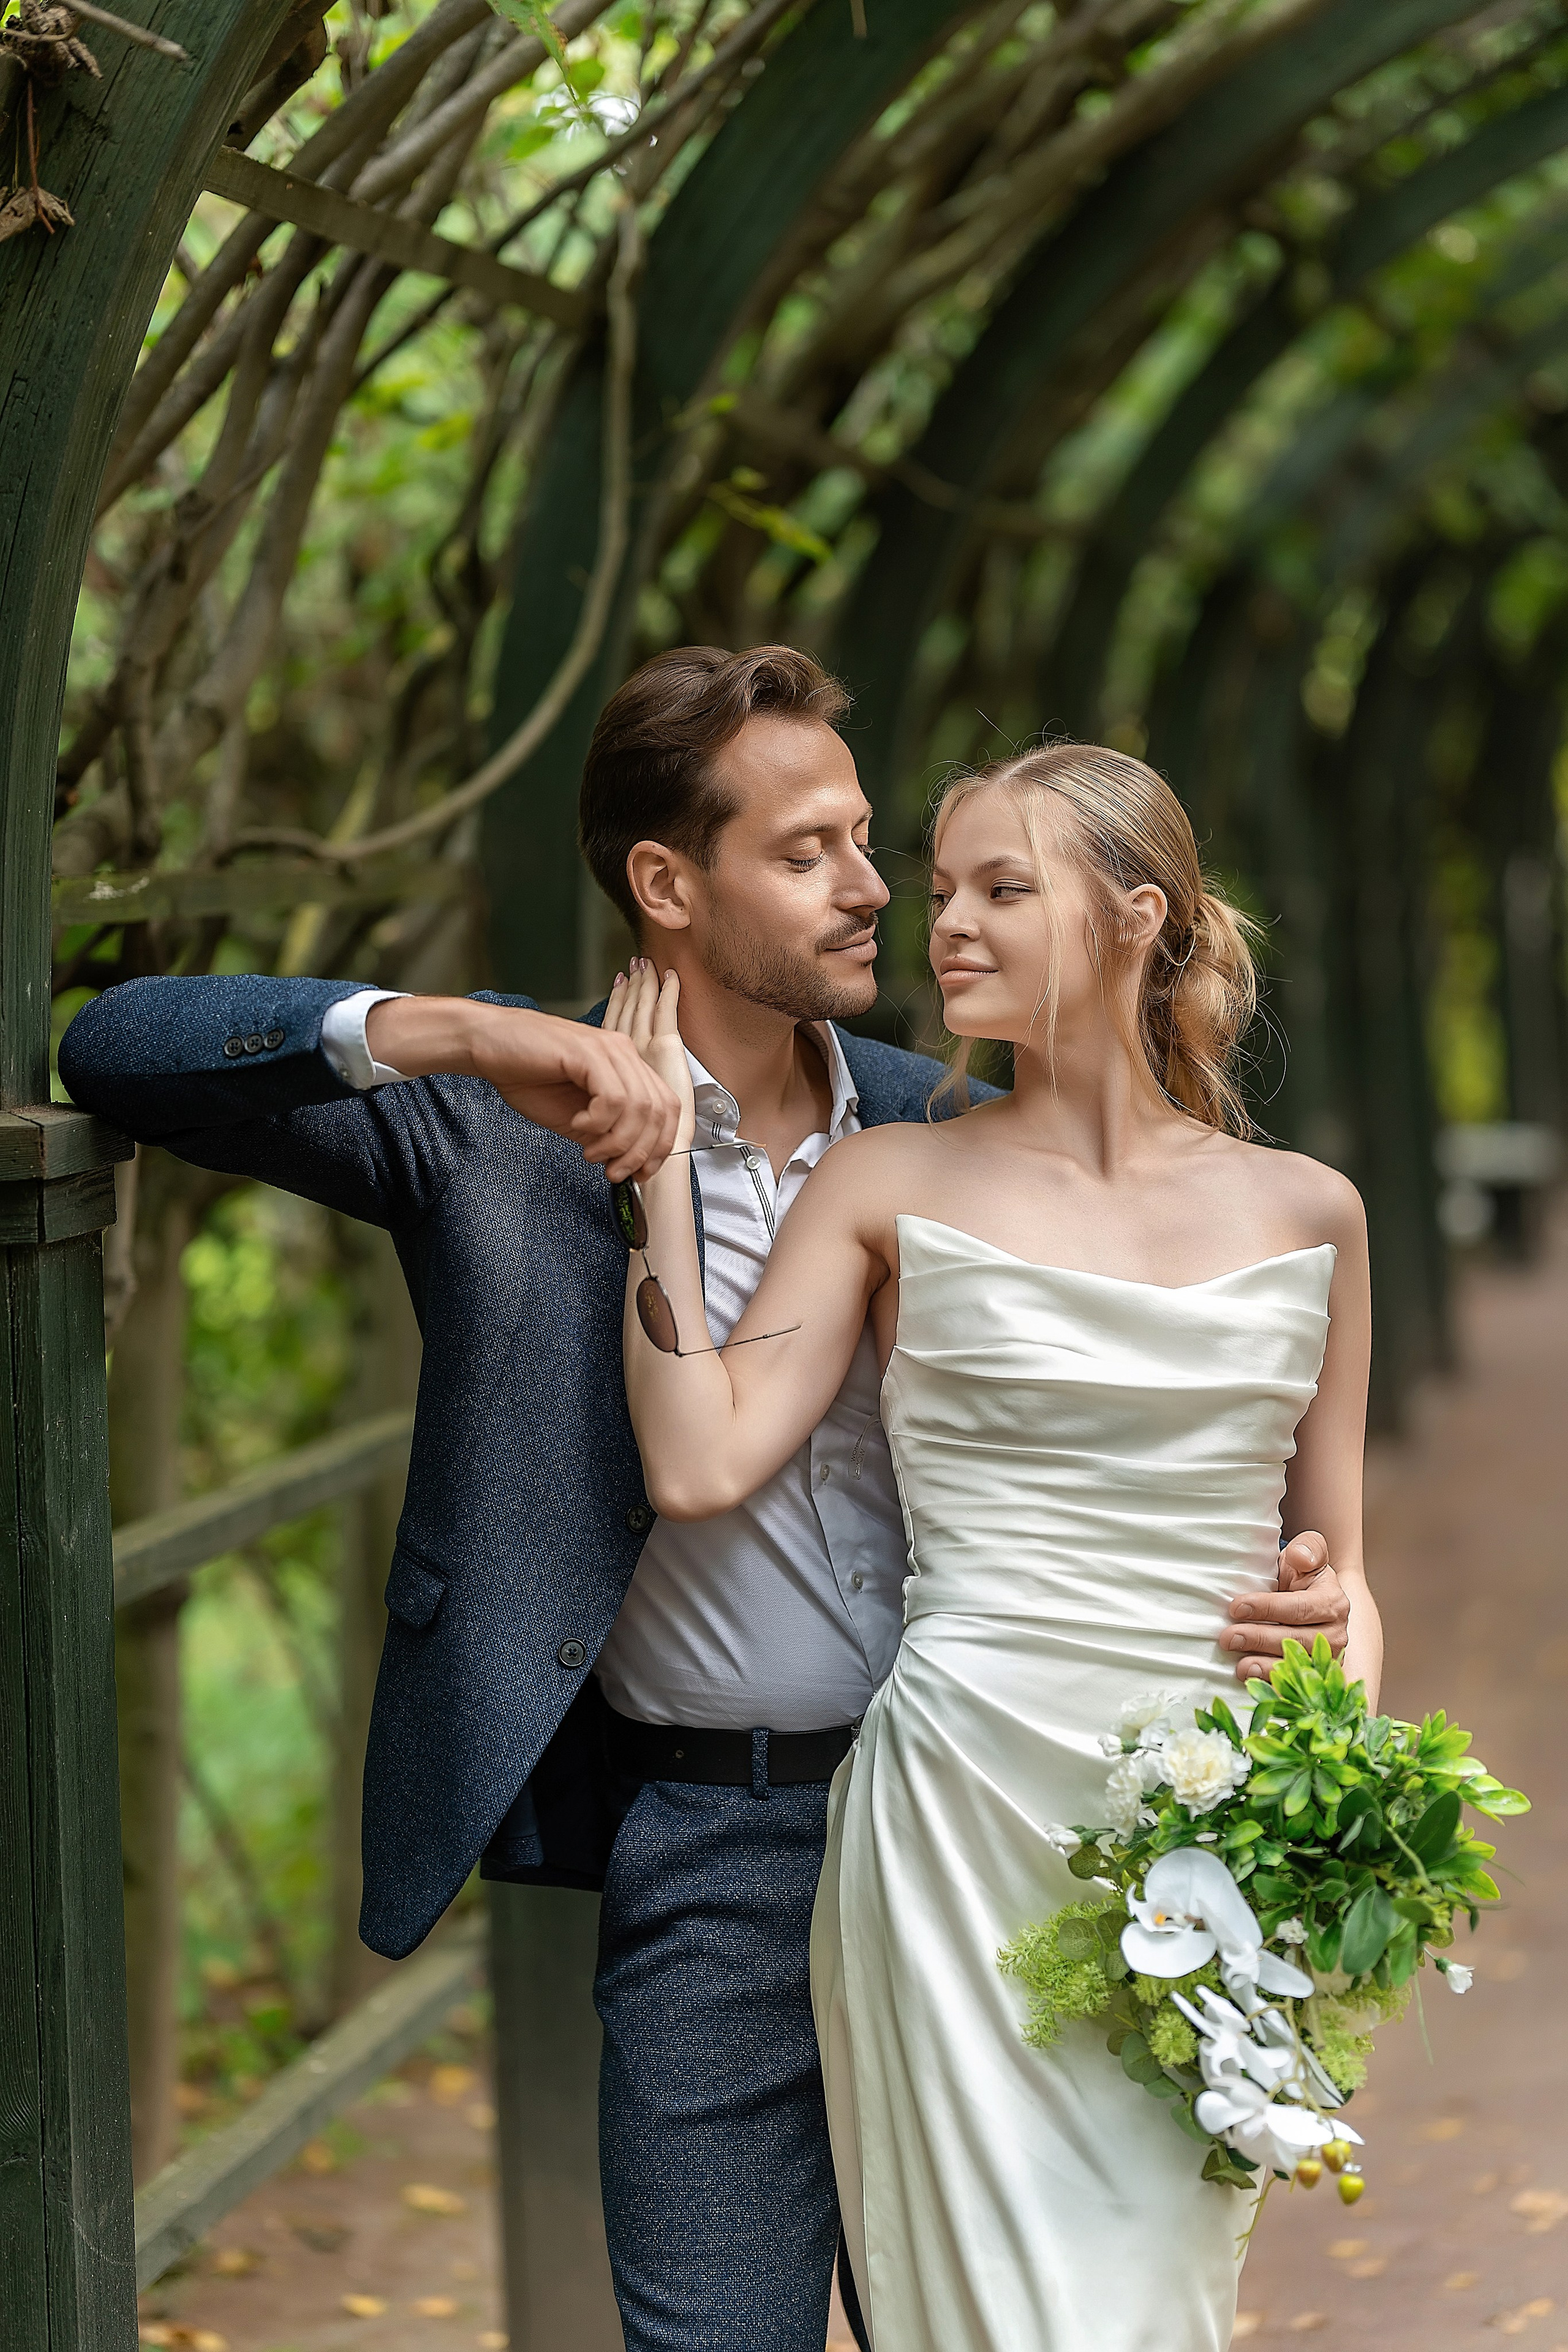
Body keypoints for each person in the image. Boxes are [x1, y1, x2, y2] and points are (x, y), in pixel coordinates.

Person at [59, 653, 1352, 2352]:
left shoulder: (948, 1122)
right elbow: (117, 1051)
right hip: (712, 1848)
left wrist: (1301, 1587)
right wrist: (461, 1028)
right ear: (669, 885)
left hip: (1005, 1822)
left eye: (871, 841)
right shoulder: (493, 1121)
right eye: (809, 852)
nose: (875, 889)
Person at [608, 738, 1380, 2352]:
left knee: (1148, 2305)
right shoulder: (887, 1181)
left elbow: (1343, 1584)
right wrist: (661, 1177)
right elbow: (698, 1457)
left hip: (1207, 1842)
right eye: (944, 887)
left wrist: (1329, 1721)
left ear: (1135, 919)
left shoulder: (1311, 1212)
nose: (943, 921)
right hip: (957, 1824)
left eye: (1001, 890)